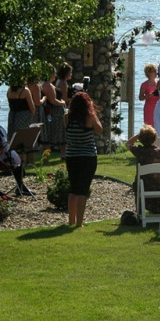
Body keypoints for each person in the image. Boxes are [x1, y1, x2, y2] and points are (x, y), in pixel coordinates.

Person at [65, 91, 103, 227]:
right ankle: (79, 223)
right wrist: (93, 111)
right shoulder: (90, 117)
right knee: (83, 190)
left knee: (73, 189)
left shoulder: (67, 117)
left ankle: (71, 221)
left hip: (72, 156)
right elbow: (99, 130)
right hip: (88, 157)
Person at [127, 125, 160, 214]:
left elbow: (128, 144)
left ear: (141, 139)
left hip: (144, 188)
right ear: (154, 138)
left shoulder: (139, 151)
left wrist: (138, 135)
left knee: (137, 182)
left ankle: (140, 211)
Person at [6, 80, 36, 164]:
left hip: (12, 116)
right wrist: (32, 115)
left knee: (14, 139)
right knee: (25, 139)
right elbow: (32, 106)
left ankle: (16, 161)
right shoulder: (25, 90)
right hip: (24, 116)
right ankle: (28, 162)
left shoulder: (9, 90)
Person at [40, 65, 67, 157]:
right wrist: (62, 103)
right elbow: (53, 101)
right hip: (55, 112)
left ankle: (58, 156)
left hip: (52, 112)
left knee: (51, 135)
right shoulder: (48, 85)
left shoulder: (44, 84)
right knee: (59, 134)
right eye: (54, 73)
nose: (55, 76)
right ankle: (61, 155)